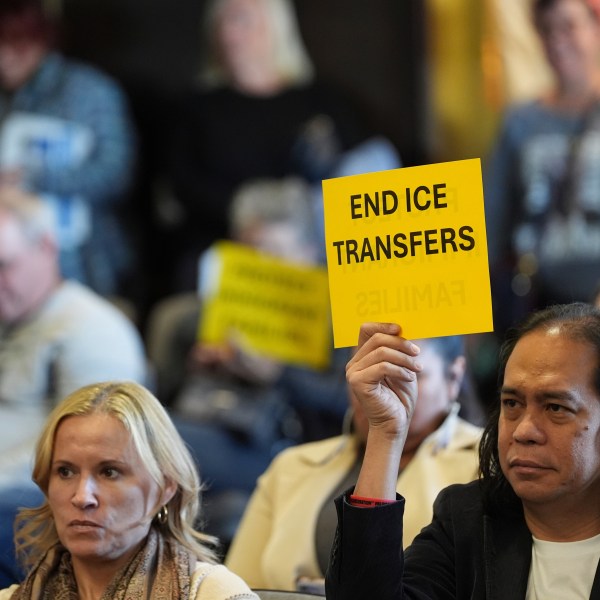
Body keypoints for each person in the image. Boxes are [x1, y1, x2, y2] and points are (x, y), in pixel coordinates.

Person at [325, 302, 600, 599]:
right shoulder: (467, 520)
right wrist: (385, 432)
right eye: (512, 404)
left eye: (556, 408)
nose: (523, 431)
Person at [224, 335, 484, 592]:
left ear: (454, 378)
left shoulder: (485, 466)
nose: (379, 390)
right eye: (365, 370)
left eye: (405, 374)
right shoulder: (291, 466)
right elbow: (236, 590)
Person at [165, 0, 374, 291]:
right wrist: (250, 222)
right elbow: (184, 186)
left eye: (241, 20)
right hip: (229, 254)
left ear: (277, 27)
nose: (229, 34)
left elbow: (361, 178)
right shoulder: (196, 109)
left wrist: (296, 233)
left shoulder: (324, 104)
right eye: (221, 24)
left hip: (313, 256)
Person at [0, 380, 258, 599]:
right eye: (65, 472)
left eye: (109, 472)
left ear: (164, 488)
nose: (82, 497)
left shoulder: (214, 594)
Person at [0, 0, 138, 296]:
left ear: (40, 42)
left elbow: (115, 173)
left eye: (15, 46)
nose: (5, 58)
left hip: (83, 259)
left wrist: (33, 178)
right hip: (12, 258)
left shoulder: (92, 92)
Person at [485, 0, 600, 333]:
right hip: (541, 309)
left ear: (595, 27)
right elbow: (492, 225)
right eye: (547, 31)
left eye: (568, 27)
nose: (557, 41)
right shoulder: (520, 123)